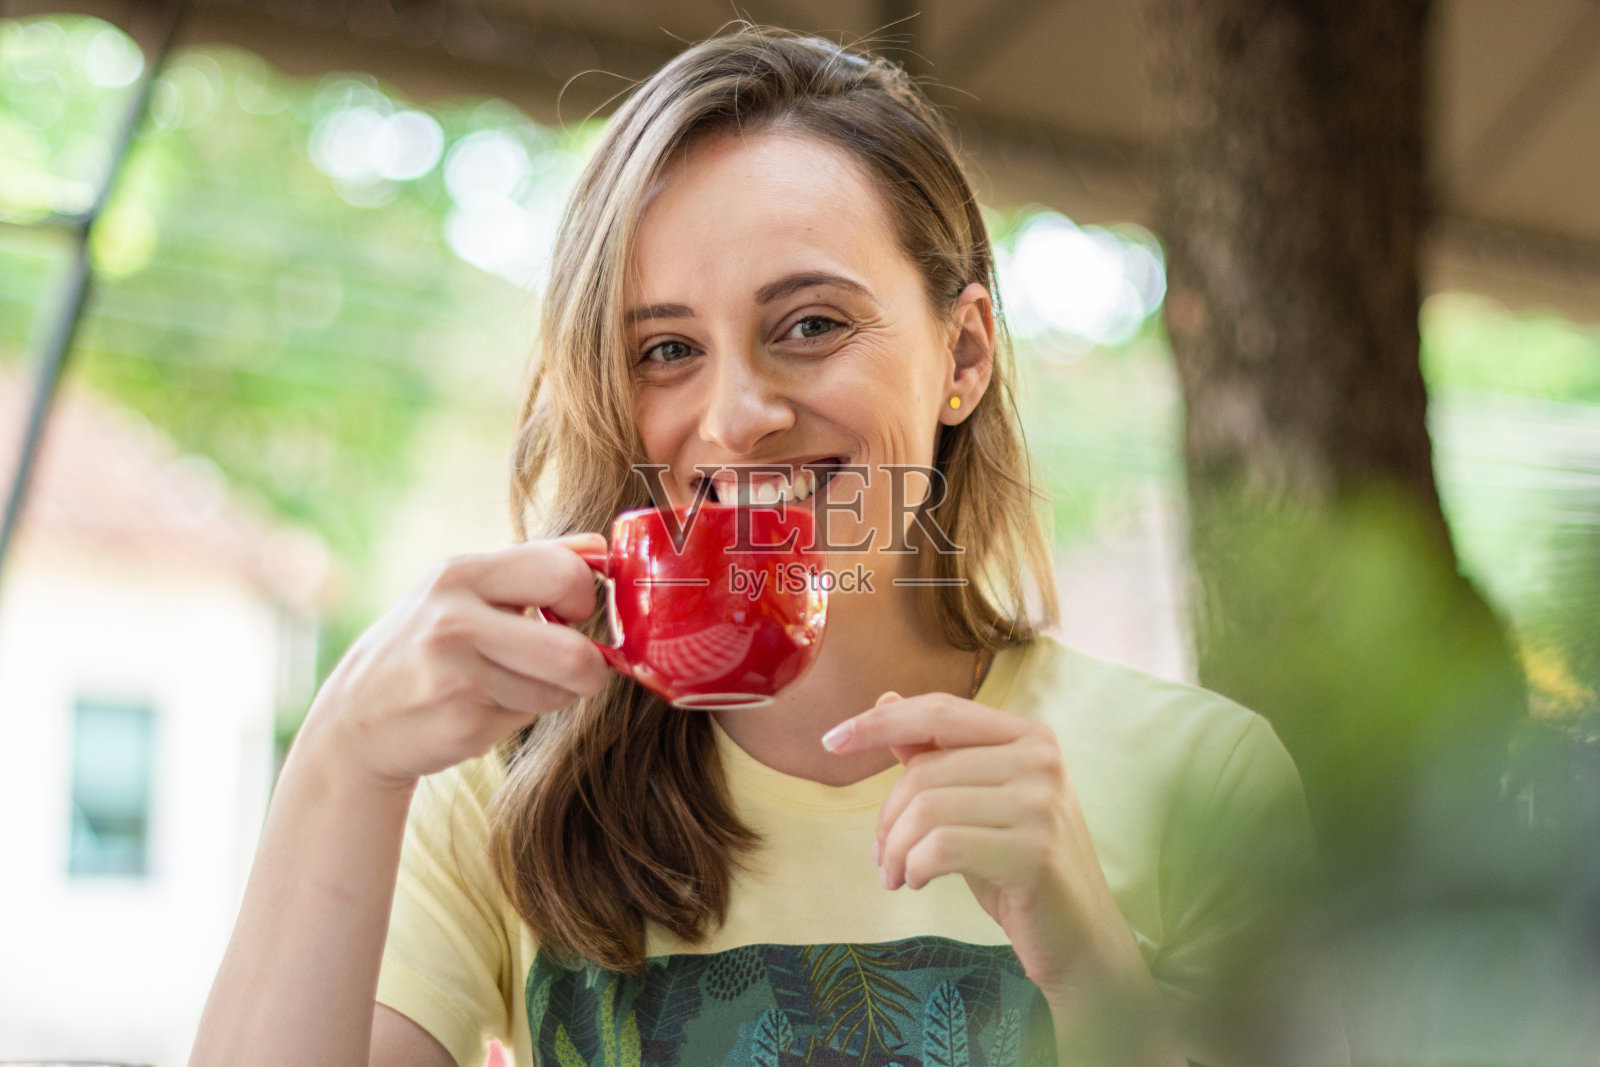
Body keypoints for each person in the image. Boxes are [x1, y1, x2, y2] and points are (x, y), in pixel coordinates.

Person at [191, 27, 1340, 1067]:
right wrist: (342, 756)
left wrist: (1091, 973)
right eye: (666, 350)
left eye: (809, 325)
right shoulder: (498, 790)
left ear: (964, 353)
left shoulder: (1204, 779)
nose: (737, 415)